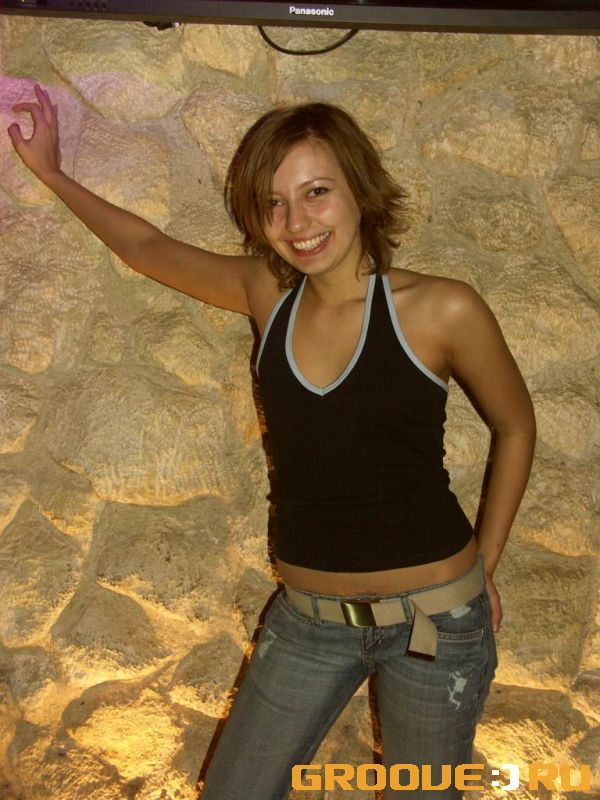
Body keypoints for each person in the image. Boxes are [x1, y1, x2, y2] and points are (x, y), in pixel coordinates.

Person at [8, 85, 536, 800]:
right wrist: (51, 172)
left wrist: (486, 566)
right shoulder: (268, 294)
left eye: (317, 192)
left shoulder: (441, 308)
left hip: (436, 622)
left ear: (360, 189)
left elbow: (516, 425)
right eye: (273, 204)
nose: (296, 222)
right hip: (308, 621)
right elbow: (146, 247)